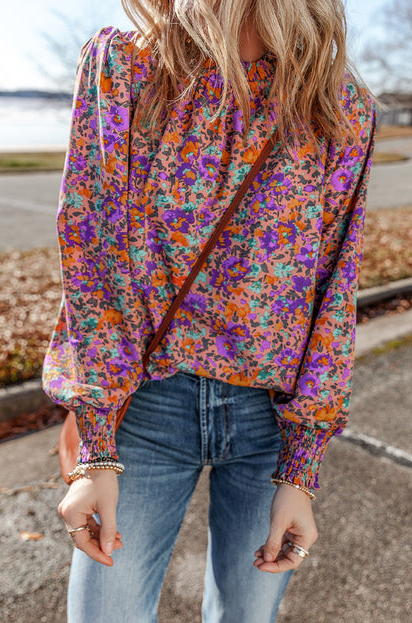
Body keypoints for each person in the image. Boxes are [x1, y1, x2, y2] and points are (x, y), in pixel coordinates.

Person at [42, 0, 376, 621]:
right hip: (145, 408)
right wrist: (96, 444)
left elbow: (333, 288)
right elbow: (92, 255)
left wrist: (302, 470)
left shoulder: (337, 103)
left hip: (268, 423)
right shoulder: (127, 64)